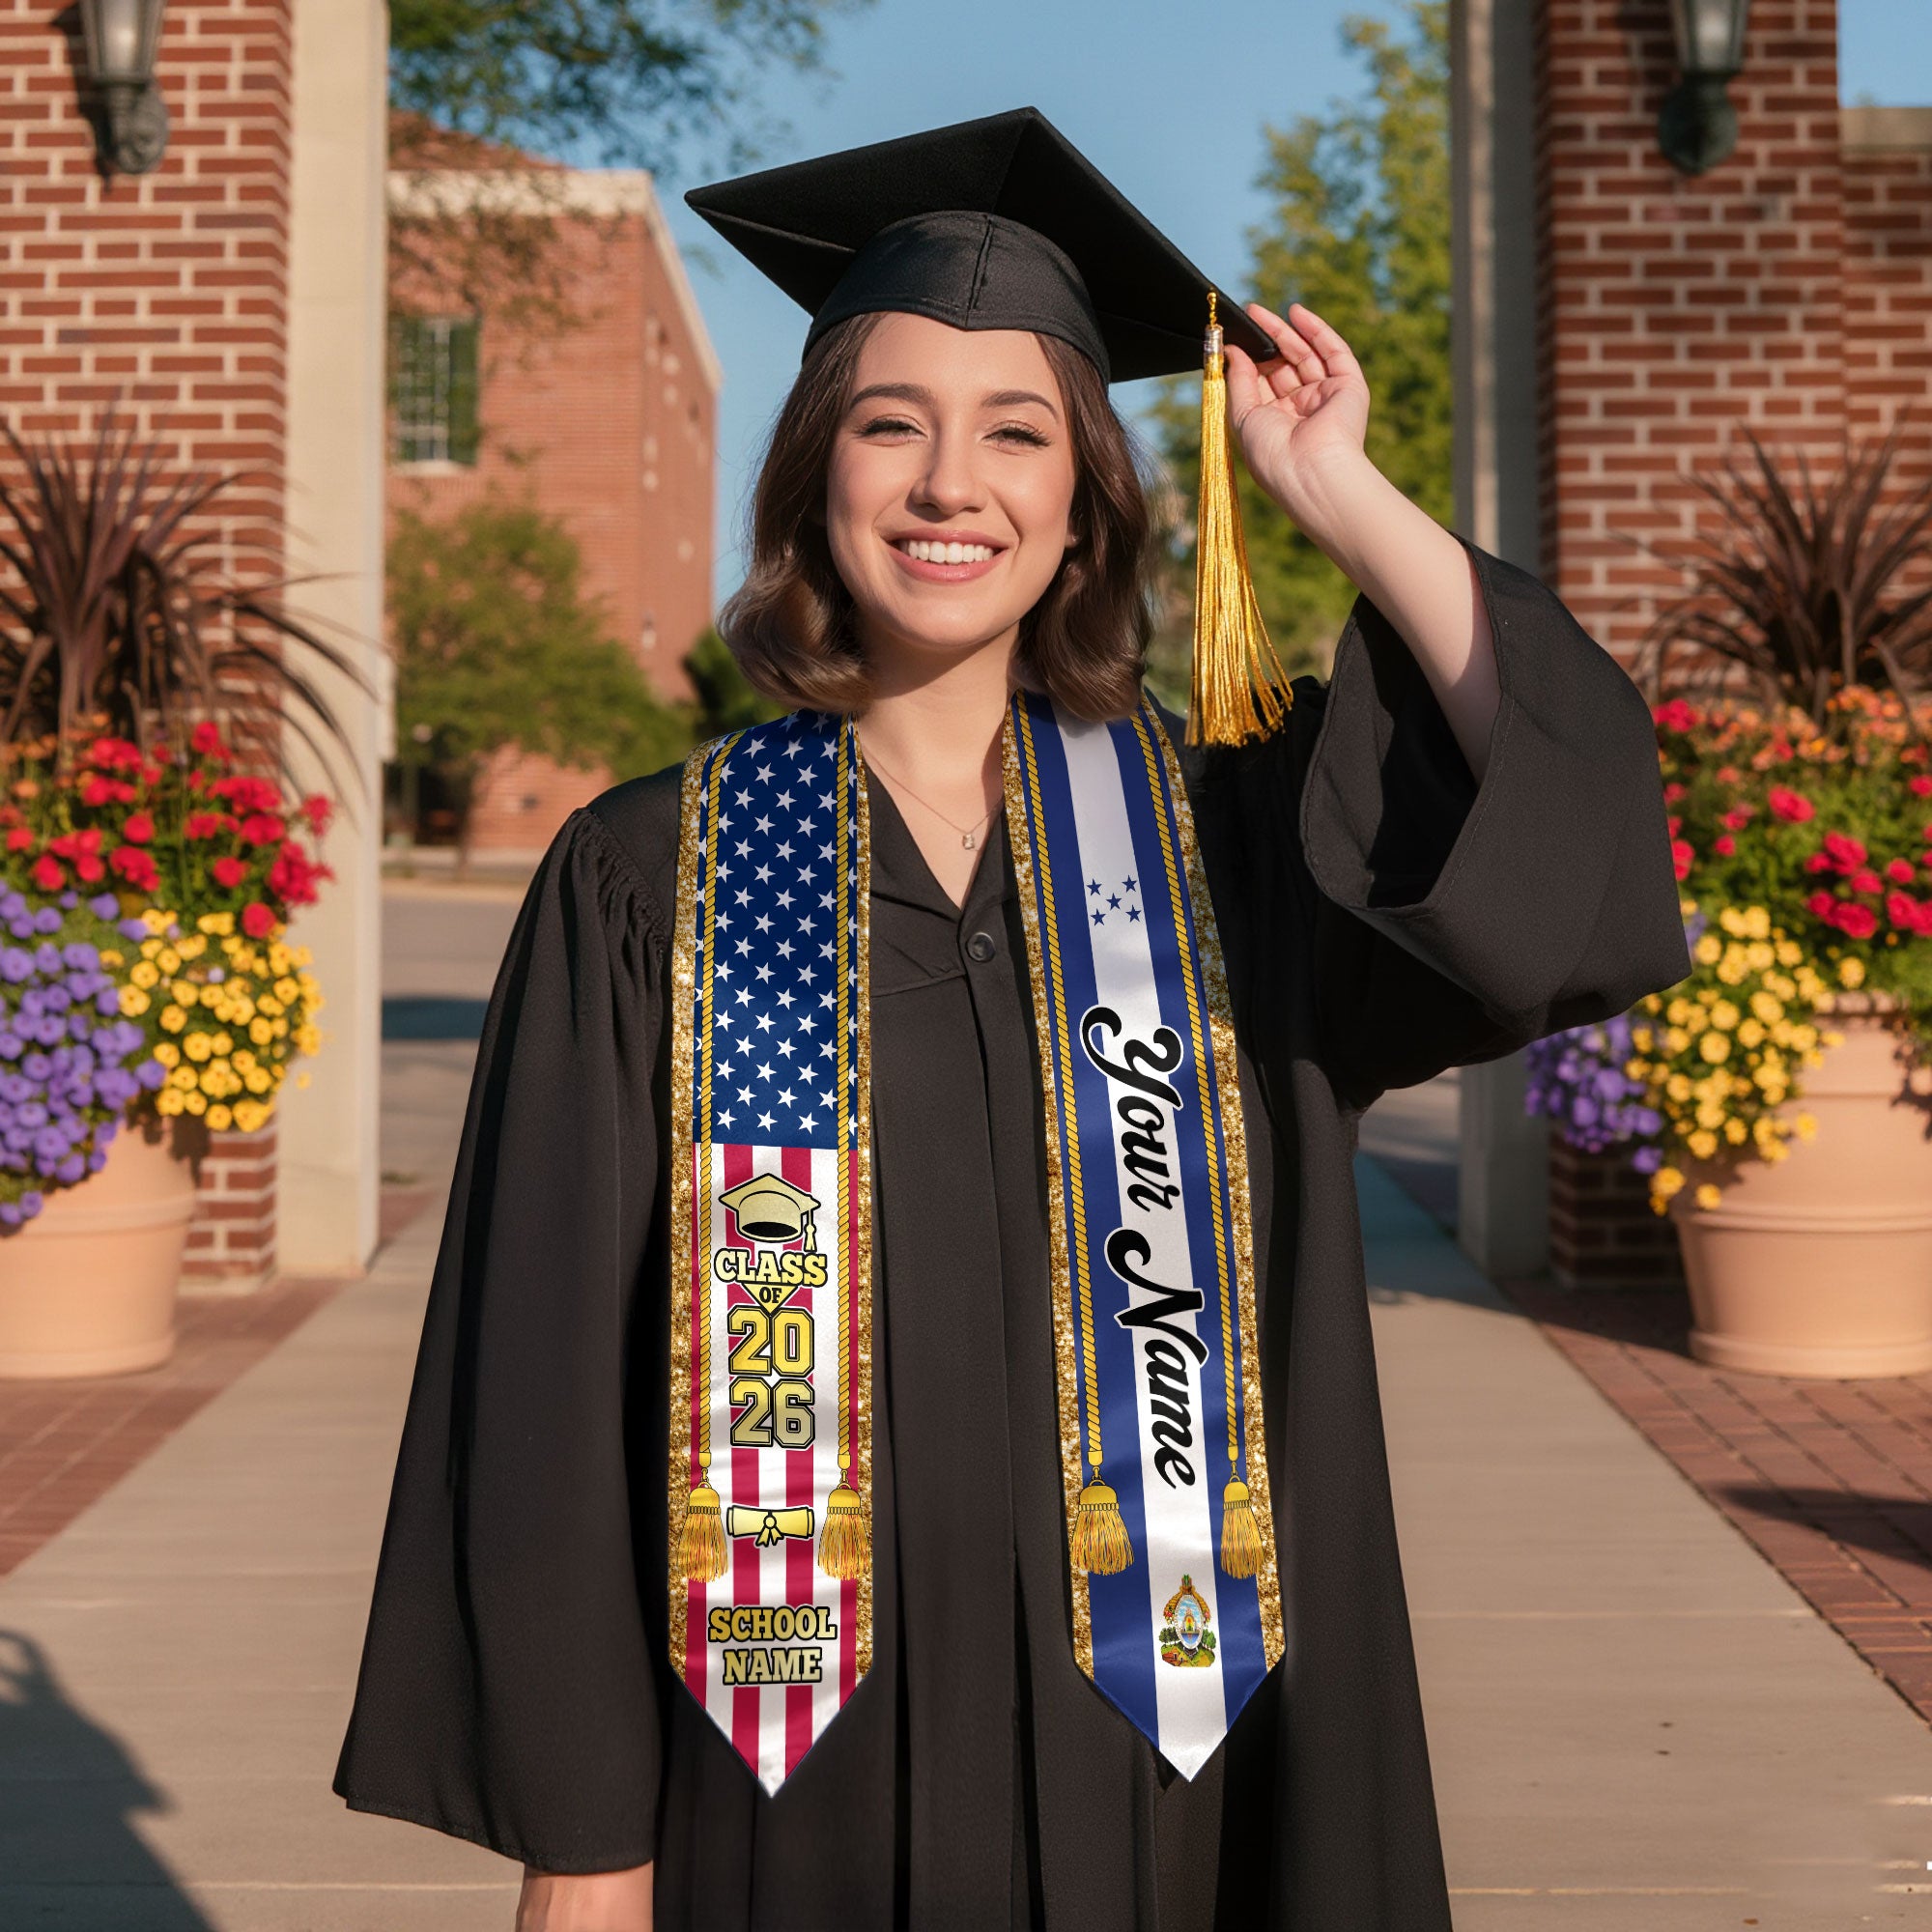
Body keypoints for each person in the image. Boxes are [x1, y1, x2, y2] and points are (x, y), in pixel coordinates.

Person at [332, 108, 1690, 1931]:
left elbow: (1561, 833)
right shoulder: (651, 878)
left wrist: (1336, 491)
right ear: (818, 472)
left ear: (1084, 503)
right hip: (783, 1783)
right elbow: (549, 1389)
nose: (948, 483)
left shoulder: (1235, 847)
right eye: (892, 424)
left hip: (1189, 1776)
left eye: (1016, 433)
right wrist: (585, 1844)